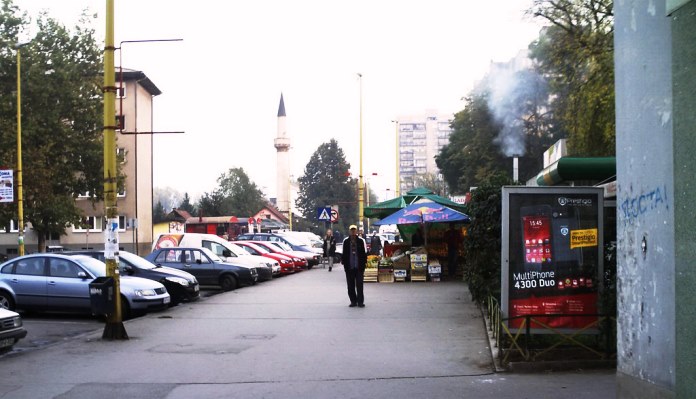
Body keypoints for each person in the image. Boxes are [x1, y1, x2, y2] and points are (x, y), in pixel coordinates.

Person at [341, 224, 367, 307]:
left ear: (356, 231)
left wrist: (364, 264)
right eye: (351, 230)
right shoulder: (346, 241)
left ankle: (360, 301)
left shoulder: (361, 241)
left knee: (359, 285)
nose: (353, 232)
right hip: (349, 267)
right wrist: (345, 265)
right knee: (350, 285)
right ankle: (353, 301)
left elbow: (364, 253)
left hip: (359, 266)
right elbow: (343, 254)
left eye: (354, 230)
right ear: (349, 231)